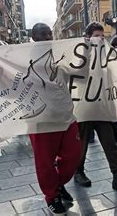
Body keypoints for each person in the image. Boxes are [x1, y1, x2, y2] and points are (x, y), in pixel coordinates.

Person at [74, 22, 117, 193]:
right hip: (84, 107)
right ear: (88, 37)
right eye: (97, 35)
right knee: (82, 144)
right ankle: (78, 171)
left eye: (103, 36)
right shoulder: (80, 53)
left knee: (110, 143)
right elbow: (77, 75)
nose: (101, 38)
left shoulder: (108, 55)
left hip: (103, 106)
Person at [28, 22, 82, 215]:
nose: (48, 37)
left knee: (73, 155)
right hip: (41, 121)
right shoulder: (24, 58)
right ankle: (52, 196)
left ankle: (57, 184)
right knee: (45, 162)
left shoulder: (61, 55)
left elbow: (79, 71)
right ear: (34, 37)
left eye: (50, 33)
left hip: (66, 116)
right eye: (43, 34)